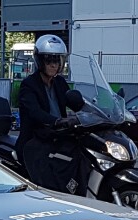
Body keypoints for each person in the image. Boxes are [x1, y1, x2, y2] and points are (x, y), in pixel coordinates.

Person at [17, 34, 88, 194]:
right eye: (49, 60)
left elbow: (75, 102)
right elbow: (35, 113)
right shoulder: (29, 85)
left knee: (81, 151)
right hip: (36, 140)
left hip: (58, 136)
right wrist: (58, 121)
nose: (53, 64)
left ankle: (77, 192)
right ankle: (52, 196)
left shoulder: (60, 83)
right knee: (49, 180)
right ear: (40, 61)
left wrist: (93, 110)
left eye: (57, 60)